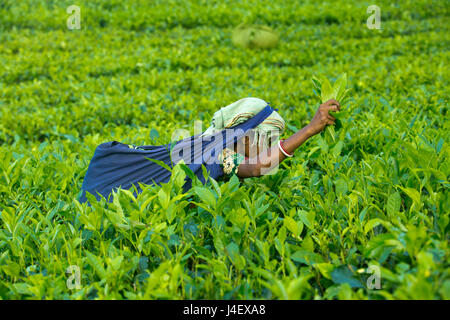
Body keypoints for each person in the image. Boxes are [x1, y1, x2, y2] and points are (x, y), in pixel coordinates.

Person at [79, 97, 340, 204]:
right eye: (266, 139)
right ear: (244, 134)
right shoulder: (214, 152)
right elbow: (259, 167)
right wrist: (309, 130)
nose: (266, 147)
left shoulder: (204, 146)